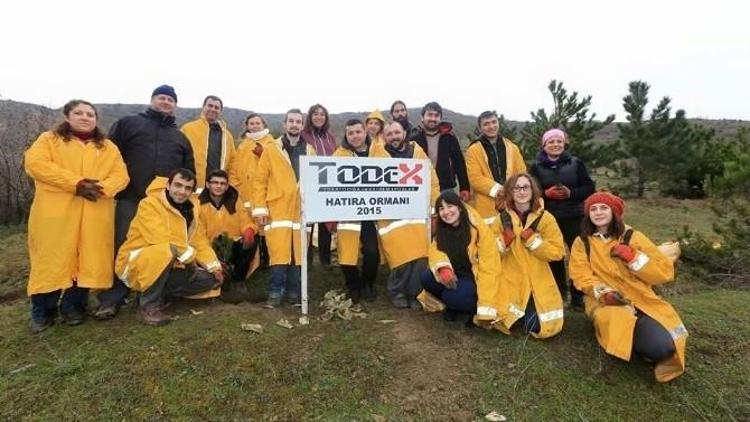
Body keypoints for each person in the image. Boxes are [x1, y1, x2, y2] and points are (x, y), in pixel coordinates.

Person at [24, 100, 129, 332]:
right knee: (51, 259)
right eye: (78, 113)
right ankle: (42, 311)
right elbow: (35, 164)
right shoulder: (49, 140)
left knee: (87, 260)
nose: (85, 117)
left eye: (90, 114)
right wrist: (77, 183)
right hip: (56, 214)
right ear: (67, 116)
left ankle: (73, 307)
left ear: (96, 119)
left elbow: (121, 176)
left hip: (94, 213)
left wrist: (101, 189)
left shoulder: (107, 147)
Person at [95, 84, 195, 320]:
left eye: (170, 100)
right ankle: (112, 298)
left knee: (162, 247)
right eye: (161, 98)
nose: (166, 102)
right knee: (124, 247)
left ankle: (152, 294)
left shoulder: (180, 137)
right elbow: (108, 156)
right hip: (131, 198)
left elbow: (189, 170)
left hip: (165, 204)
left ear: (175, 105)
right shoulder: (128, 124)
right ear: (151, 100)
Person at [569, 191, 687, 382]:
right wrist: (603, 293)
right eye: (594, 209)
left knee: (663, 347)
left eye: (604, 208)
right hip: (607, 302)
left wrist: (634, 258)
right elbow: (581, 275)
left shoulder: (633, 236)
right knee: (617, 322)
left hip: (641, 299)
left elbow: (663, 273)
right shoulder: (582, 242)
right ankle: (621, 336)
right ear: (588, 214)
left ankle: (640, 338)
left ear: (614, 212)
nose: (598, 213)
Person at [115, 169, 223, 326]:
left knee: (209, 279)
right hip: (135, 263)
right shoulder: (149, 204)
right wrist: (191, 259)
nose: (182, 191)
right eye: (178, 185)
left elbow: (199, 241)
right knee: (166, 249)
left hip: (172, 262)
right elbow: (159, 238)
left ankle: (159, 296)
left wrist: (214, 266)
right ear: (168, 185)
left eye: (187, 188)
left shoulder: (191, 210)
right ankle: (148, 306)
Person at [252, 109, 316, 308]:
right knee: (279, 254)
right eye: (291, 121)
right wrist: (260, 209)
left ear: (302, 125)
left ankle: (294, 293)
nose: (295, 124)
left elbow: (314, 182)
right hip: (277, 210)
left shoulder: (310, 150)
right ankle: (274, 293)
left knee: (298, 255)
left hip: (300, 211)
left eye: (298, 121)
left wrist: (314, 210)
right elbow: (260, 181)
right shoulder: (272, 149)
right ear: (284, 124)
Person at [372, 121, 440, 308]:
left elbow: (432, 182)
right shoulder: (378, 155)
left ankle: (415, 293)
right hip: (391, 218)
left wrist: (435, 209)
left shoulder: (418, 153)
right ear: (384, 137)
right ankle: (397, 291)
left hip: (417, 214)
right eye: (389, 134)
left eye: (397, 132)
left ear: (404, 133)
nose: (394, 136)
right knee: (400, 257)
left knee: (419, 257)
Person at [492, 173, 565, 339]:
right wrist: (503, 242)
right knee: (504, 318)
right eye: (516, 188)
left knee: (536, 326)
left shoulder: (546, 218)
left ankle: (526, 313)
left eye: (526, 187)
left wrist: (533, 242)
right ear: (510, 192)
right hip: (510, 279)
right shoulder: (500, 220)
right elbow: (488, 254)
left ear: (533, 190)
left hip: (537, 280)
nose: (521, 191)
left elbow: (558, 252)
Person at [529, 128, 595, 308]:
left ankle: (578, 295)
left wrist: (570, 193)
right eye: (551, 141)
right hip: (548, 218)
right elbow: (530, 191)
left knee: (577, 255)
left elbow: (589, 187)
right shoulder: (535, 167)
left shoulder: (576, 163)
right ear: (544, 145)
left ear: (564, 143)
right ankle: (557, 293)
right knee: (553, 256)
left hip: (575, 215)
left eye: (559, 141)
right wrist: (545, 194)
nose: (555, 144)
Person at [419, 190, 501, 325]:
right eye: (441, 208)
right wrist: (443, 268)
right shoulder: (442, 229)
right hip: (454, 274)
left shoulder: (478, 230)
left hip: (474, 277)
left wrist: (487, 310)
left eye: (450, 206)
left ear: (459, 208)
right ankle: (454, 303)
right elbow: (435, 250)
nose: (446, 212)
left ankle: (465, 306)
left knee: (452, 297)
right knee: (426, 277)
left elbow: (489, 269)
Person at [328, 119, 381, 303]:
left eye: (358, 132)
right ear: (346, 135)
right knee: (346, 254)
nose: (355, 136)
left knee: (372, 252)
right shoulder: (339, 155)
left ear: (365, 132)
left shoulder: (379, 152)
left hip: (371, 212)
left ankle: (368, 284)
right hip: (347, 213)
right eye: (351, 133)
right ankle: (354, 285)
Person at [198, 169, 259, 303]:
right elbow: (198, 235)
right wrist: (210, 258)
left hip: (232, 243)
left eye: (222, 183)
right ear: (207, 185)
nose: (219, 186)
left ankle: (239, 281)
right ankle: (220, 285)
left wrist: (249, 231)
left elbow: (245, 221)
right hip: (210, 247)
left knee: (251, 241)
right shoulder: (198, 205)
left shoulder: (235, 200)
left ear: (226, 186)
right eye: (215, 182)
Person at [465, 110, 526, 238]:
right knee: (490, 242)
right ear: (480, 128)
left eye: (494, 122)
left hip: (512, 201)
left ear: (498, 123)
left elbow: (521, 173)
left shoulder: (512, 148)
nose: (491, 126)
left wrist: (510, 192)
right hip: (486, 205)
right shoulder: (473, 150)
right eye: (486, 124)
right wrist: (500, 191)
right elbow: (475, 178)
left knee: (515, 240)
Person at [231, 113, 274, 268]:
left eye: (258, 123)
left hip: (266, 193)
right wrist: (237, 187)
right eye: (252, 123)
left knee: (267, 227)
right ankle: (255, 259)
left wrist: (264, 155)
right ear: (247, 126)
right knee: (251, 226)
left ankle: (270, 258)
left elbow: (277, 167)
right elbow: (234, 169)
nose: (255, 126)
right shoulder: (243, 145)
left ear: (263, 125)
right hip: (246, 195)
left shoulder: (272, 143)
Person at [300, 104, 337, 269]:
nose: (319, 117)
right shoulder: (303, 135)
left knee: (325, 224)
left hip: (327, 185)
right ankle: (305, 260)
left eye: (322, 114)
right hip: (307, 185)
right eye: (315, 114)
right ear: (310, 117)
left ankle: (325, 259)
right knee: (308, 225)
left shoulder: (330, 138)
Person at [409, 102, 470, 199]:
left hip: (446, 187)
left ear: (440, 118)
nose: (433, 118)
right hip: (421, 186)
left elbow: (459, 163)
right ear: (422, 117)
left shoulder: (450, 137)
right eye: (429, 115)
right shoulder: (414, 139)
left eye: (436, 115)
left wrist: (464, 187)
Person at [181, 95, 236, 191]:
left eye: (216, 107)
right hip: (192, 186)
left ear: (220, 111)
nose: (213, 109)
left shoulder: (227, 136)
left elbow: (232, 163)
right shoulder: (188, 129)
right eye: (210, 106)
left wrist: (229, 184)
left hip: (217, 188)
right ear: (203, 107)